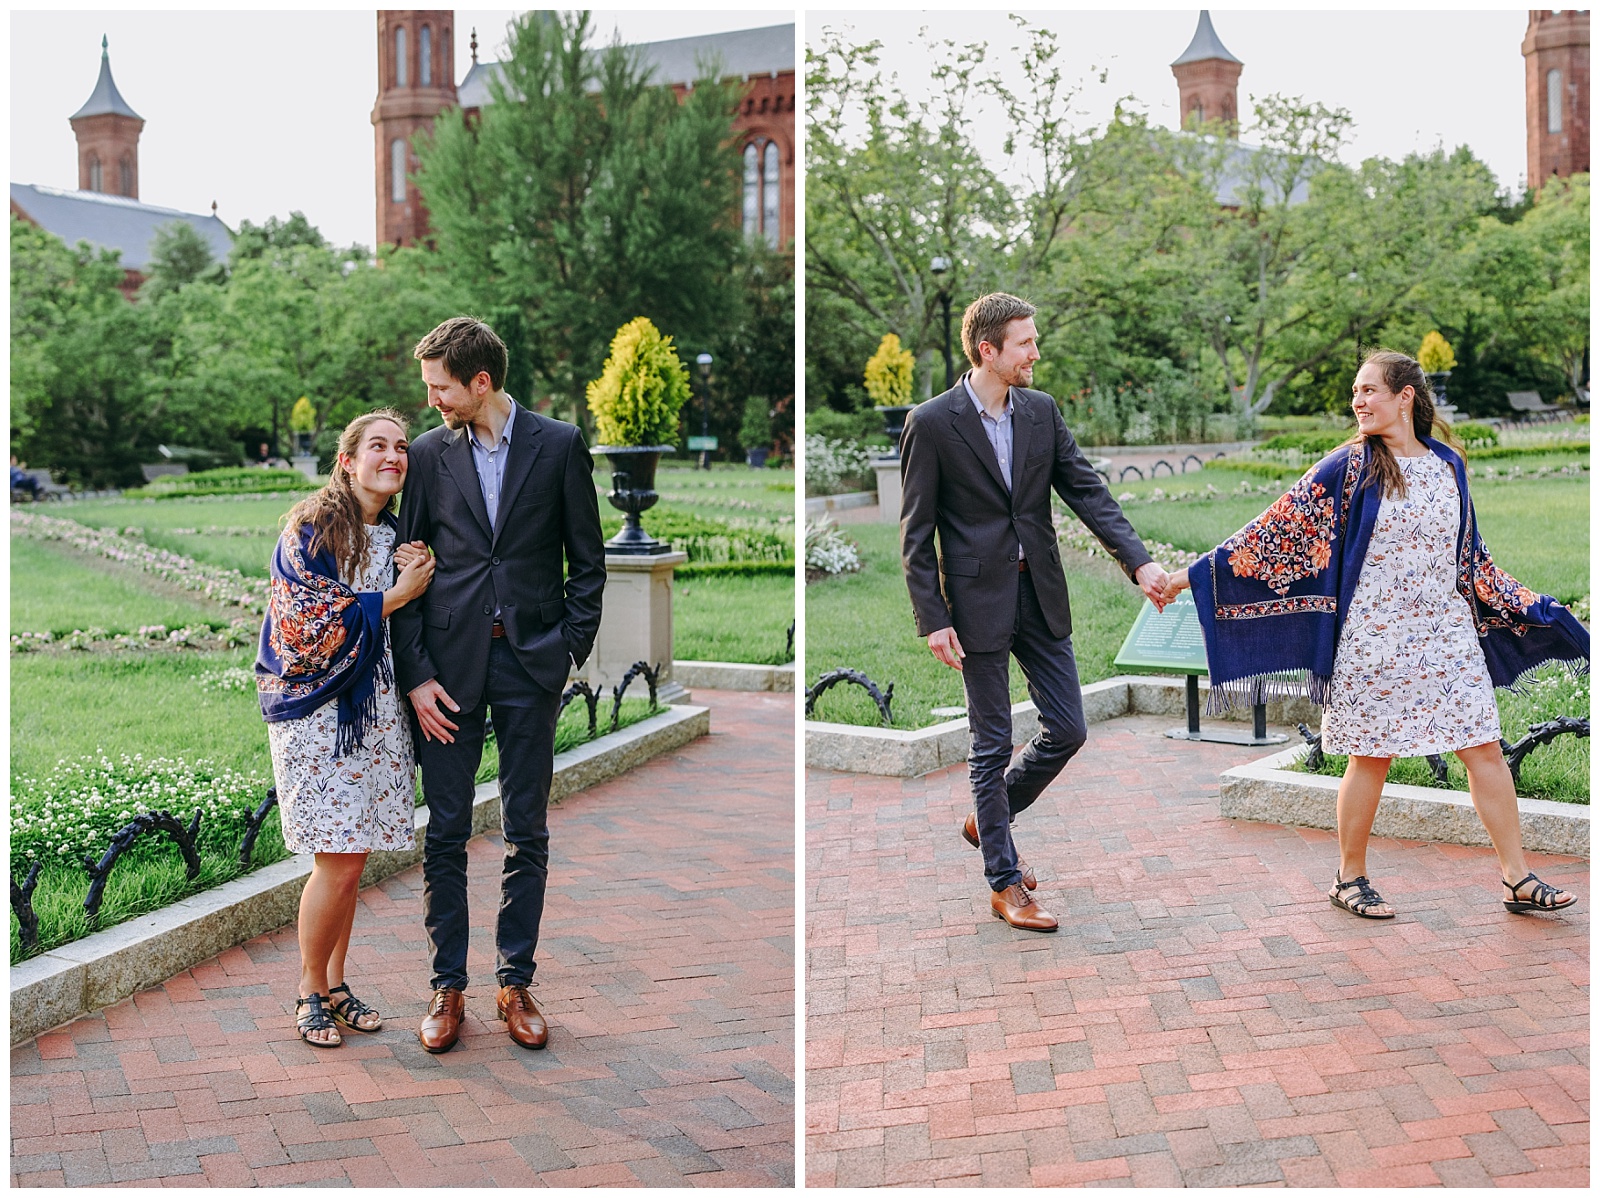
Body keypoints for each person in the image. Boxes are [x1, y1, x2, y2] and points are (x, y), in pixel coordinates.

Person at [1161, 350, 1587, 918]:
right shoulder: (1350, 466)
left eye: (1369, 391)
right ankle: (1350, 877)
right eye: (1355, 393)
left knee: (1484, 748)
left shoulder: (1448, 465)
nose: (1357, 401)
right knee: (1371, 757)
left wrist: (1537, 607)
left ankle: (1518, 877)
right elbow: (1272, 533)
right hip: (1374, 640)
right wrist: (1187, 578)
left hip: (1446, 635)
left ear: (1405, 396)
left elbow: (1470, 557)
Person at [899, 292, 1169, 932]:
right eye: (1025, 342)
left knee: (1069, 729)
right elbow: (916, 532)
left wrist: (1141, 564)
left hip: (1040, 594)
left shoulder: (1042, 413)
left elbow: (1087, 492)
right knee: (990, 743)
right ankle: (1004, 879)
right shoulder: (933, 423)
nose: (1036, 352)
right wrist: (933, 617)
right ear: (988, 351)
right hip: (973, 604)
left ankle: (986, 818)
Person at [390, 317, 606, 1053]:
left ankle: (515, 981)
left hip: (530, 668)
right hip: (446, 678)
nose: (432, 401)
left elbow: (588, 560)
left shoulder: (560, 445)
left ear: (480, 382)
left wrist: (566, 651)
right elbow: (407, 571)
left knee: (527, 832)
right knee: (446, 833)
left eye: (440, 387)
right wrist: (415, 675)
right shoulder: (426, 456)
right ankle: (447, 989)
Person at [256, 409, 436, 1047]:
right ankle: (308, 990)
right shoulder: (311, 531)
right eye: (378, 446)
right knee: (334, 859)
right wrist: (394, 597)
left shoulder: (394, 539)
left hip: (377, 714)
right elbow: (303, 623)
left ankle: (334, 983)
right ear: (348, 461)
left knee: (352, 860)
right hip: (319, 715)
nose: (393, 456)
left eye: (402, 447)